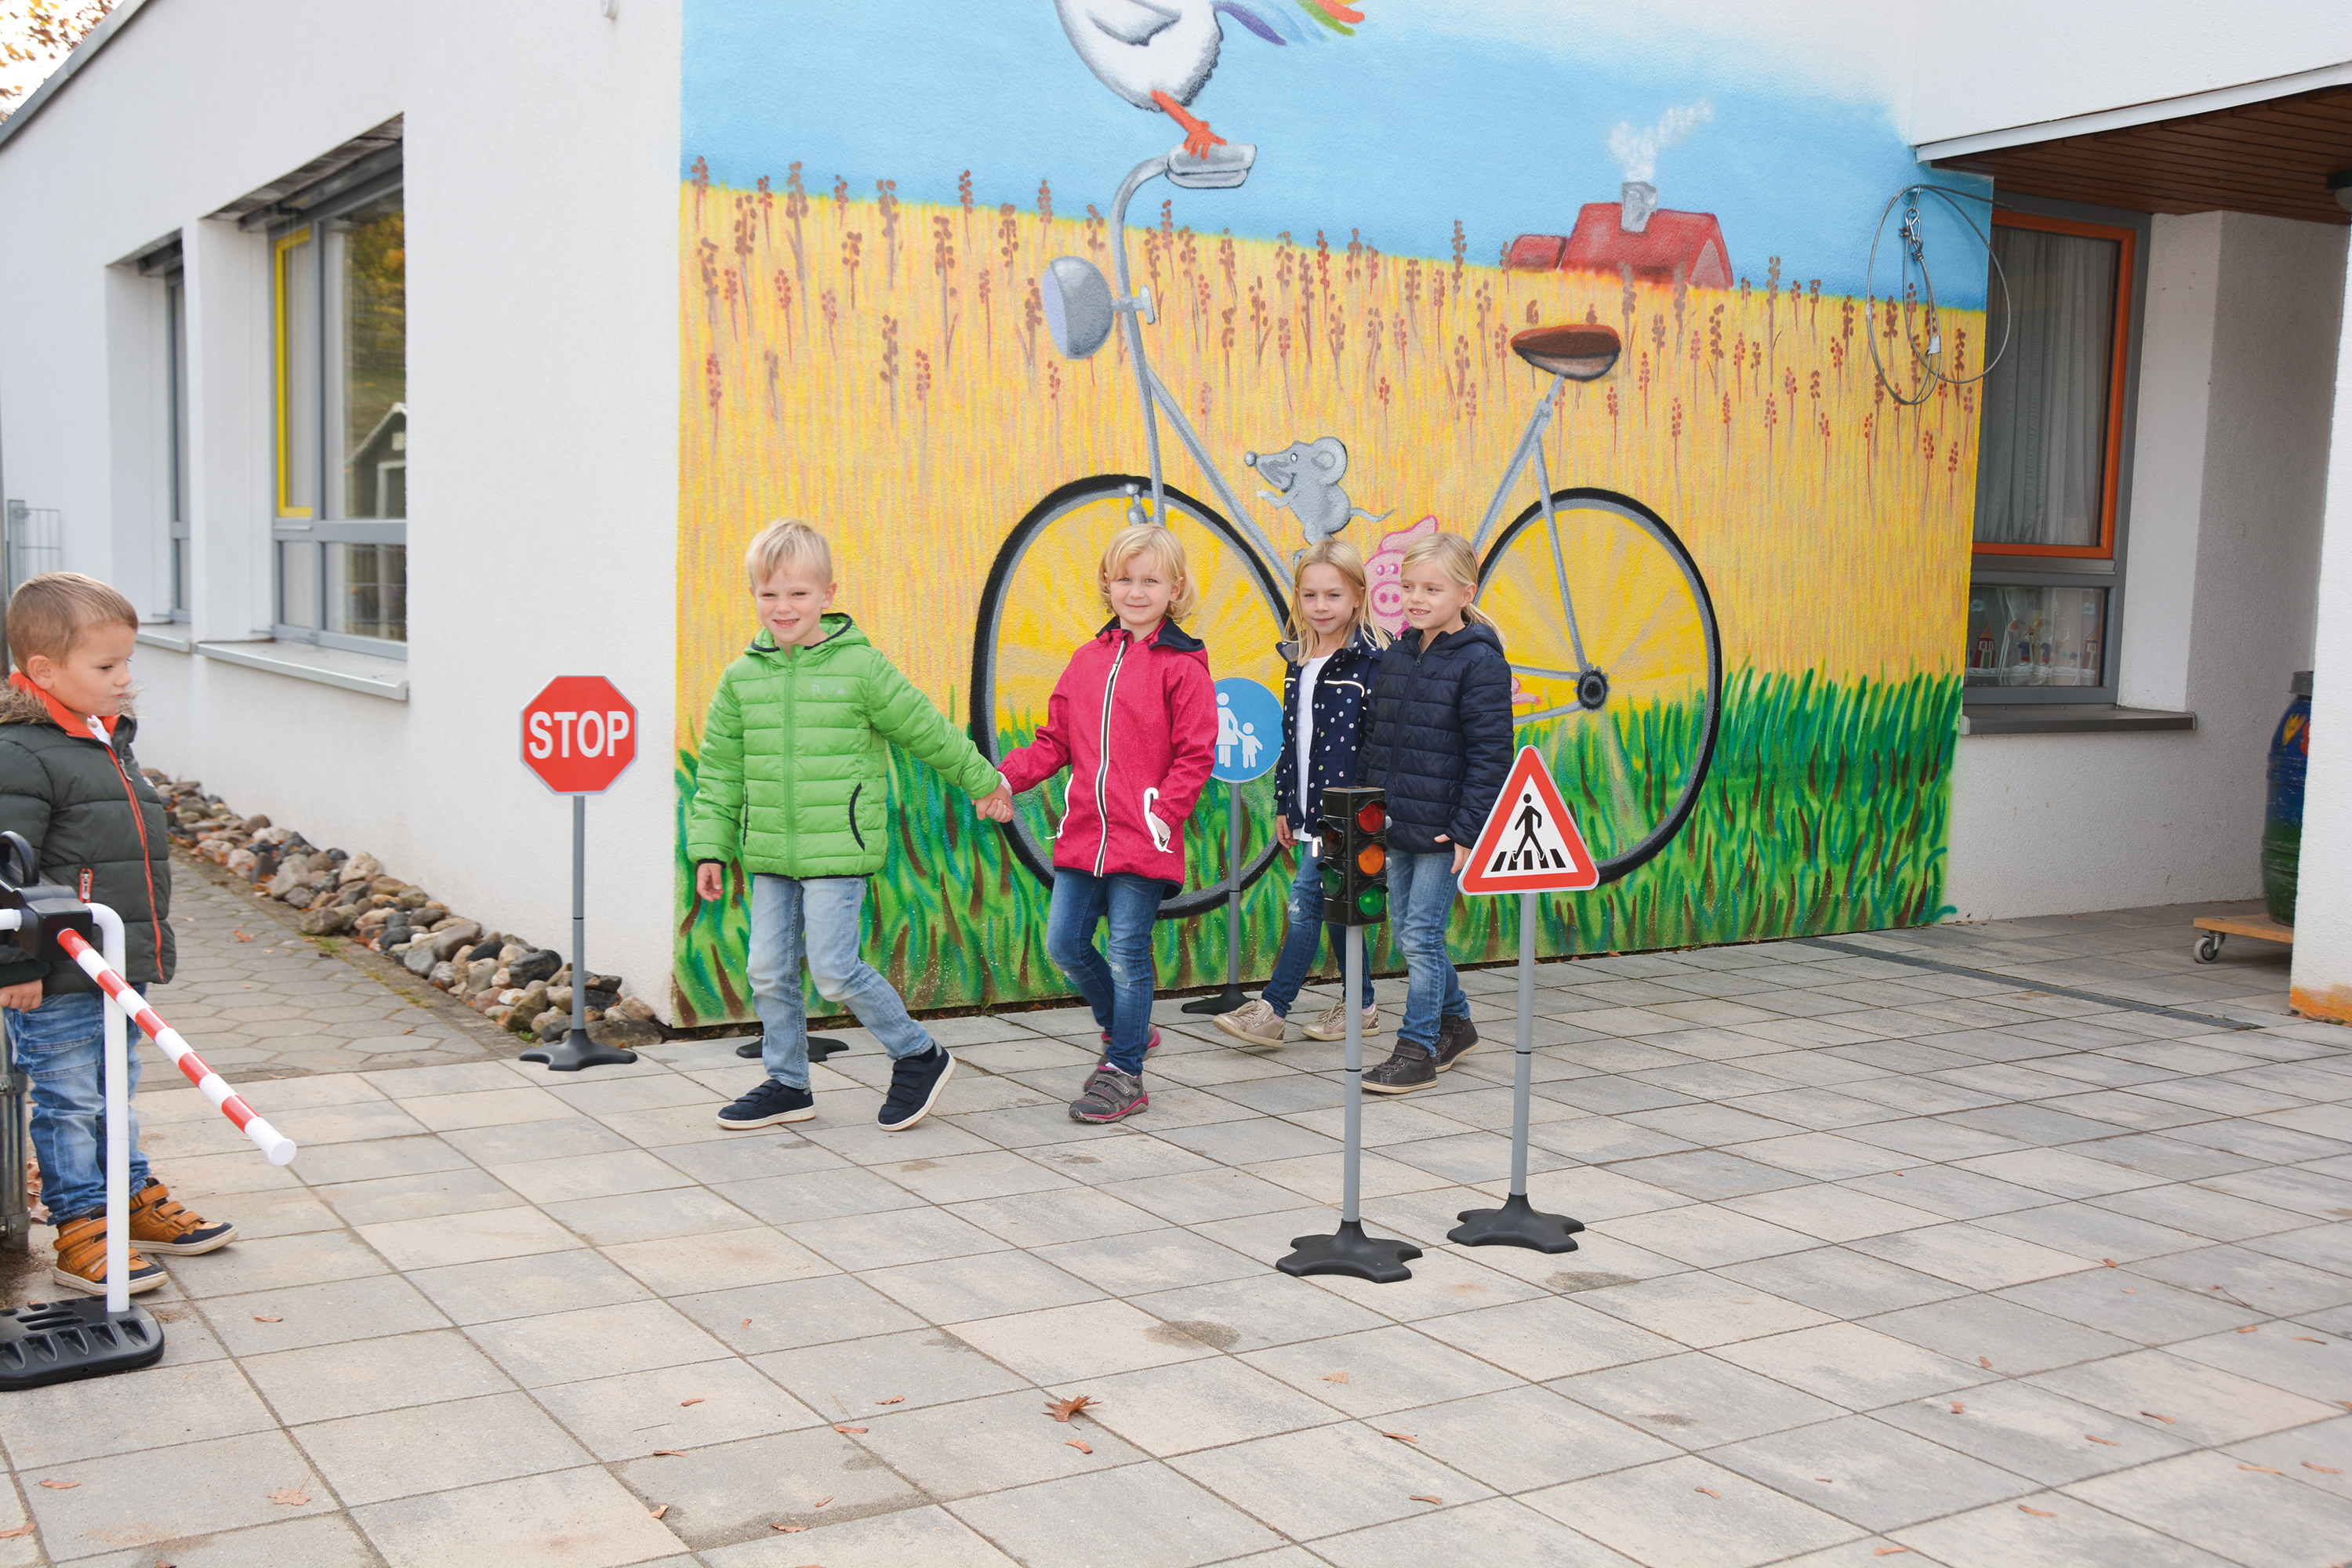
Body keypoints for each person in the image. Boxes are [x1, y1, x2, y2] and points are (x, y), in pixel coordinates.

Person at [688, 520, 1014, 1134]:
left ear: (828, 594)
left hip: (839, 847)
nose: (783, 608)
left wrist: (983, 781)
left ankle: (918, 1053)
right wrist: (710, 846)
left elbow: (926, 728)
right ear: (754, 595)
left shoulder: (860, 669)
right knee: (767, 970)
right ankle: (787, 1082)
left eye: (799, 594)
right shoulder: (741, 679)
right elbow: (720, 771)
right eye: (769, 594)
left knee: (834, 969)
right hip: (769, 855)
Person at [0, 572, 235, 1296]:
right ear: (44, 671)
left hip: (113, 964)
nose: (125, 680)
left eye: (127, 663)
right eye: (107, 667)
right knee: (72, 1099)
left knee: (115, 1090)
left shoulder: (99, 735)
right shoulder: (22, 753)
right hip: (57, 972)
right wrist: (14, 966)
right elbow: (4, 869)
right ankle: (81, 1230)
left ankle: (128, 1199)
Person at [998, 523, 1216, 1123]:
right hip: (1084, 836)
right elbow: (1054, 741)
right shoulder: (1087, 661)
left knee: (1127, 950)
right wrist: (1005, 779)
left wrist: (1161, 813)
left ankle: (1125, 1072)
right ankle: (1128, 1029)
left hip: (1144, 839)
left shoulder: (1183, 666)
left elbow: (1197, 753)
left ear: (1175, 588)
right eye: (1125, 579)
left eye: (1151, 580)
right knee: (1064, 943)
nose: (1137, 591)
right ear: (1107, 584)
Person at [1355, 532, 1513, 1094]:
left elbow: (1491, 756)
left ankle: (1417, 1048)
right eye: (1408, 587)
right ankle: (1458, 1023)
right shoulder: (1399, 652)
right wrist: (1370, 811)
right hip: (1398, 821)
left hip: (1448, 827)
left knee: (1421, 934)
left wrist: (1470, 829)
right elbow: (1379, 741)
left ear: (1466, 591)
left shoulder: (1479, 662)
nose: (1415, 598)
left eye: (1431, 588)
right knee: (1410, 933)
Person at [1214, 539, 1387, 1047]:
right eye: (1310, 596)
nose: (1321, 607)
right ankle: (1362, 1005)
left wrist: (1375, 810)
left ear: (1357, 595)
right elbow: (1295, 740)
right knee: (1336, 905)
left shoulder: (1374, 663)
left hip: (1353, 811)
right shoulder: (1300, 658)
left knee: (1305, 902)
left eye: (1333, 595)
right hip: (1312, 811)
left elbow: (1382, 743)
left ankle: (1274, 1009)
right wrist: (1286, 805)